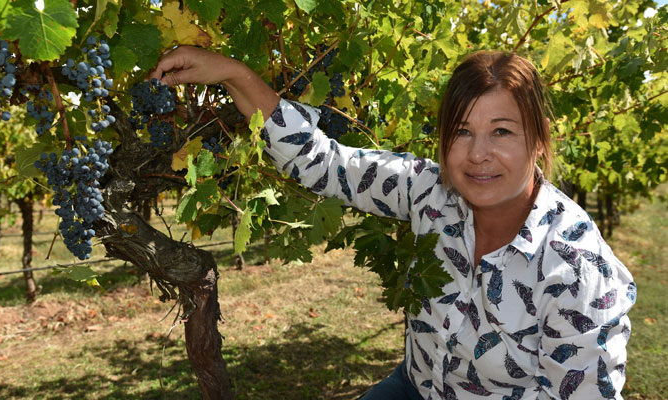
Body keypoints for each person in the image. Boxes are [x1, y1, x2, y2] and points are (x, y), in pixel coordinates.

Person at [151, 46, 635, 399]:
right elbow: (325, 163)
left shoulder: (575, 268)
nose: (478, 154)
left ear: (538, 141)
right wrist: (234, 72)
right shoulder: (432, 193)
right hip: (416, 386)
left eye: (501, 132)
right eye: (462, 131)